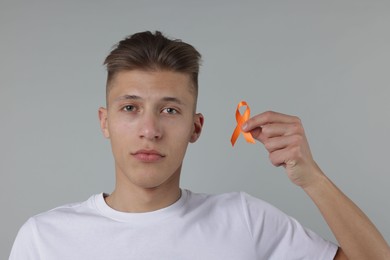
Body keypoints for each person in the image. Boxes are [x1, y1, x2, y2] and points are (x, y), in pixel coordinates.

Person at [9, 31, 390, 260]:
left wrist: (314, 180)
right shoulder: (44, 239)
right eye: (130, 108)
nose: (150, 129)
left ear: (196, 127)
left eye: (170, 110)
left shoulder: (246, 219)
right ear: (105, 122)